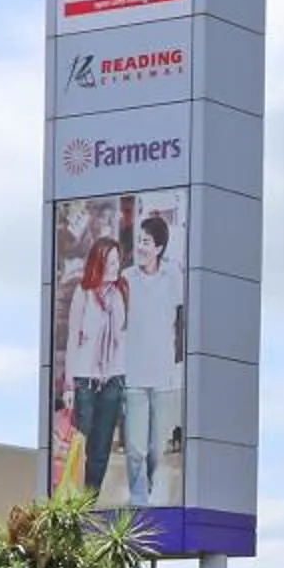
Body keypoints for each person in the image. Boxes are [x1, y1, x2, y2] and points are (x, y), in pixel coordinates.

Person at [120, 210, 185, 505]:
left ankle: (152, 486)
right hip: (133, 374)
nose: (141, 247)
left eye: (147, 242)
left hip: (163, 376)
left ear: (158, 247)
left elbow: (182, 319)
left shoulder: (172, 277)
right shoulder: (126, 279)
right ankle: (138, 497)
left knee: (157, 445)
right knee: (135, 447)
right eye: (139, 241)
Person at [62, 238, 129, 495]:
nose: (115, 267)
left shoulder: (122, 292)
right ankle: (72, 496)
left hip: (113, 377)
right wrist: (69, 385)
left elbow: (124, 334)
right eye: (109, 262)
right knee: (81, 442)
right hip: (86, 379)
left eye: (117, 261)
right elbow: (72, 338)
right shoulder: (84, 293)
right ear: (97, 263)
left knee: (101, 448)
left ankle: (89, 500)